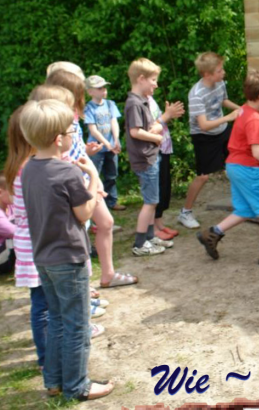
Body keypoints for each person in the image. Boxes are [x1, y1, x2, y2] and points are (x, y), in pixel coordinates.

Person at [19, 98, 114, 401]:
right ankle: (77, 386)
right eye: (72, 130)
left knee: (58, 319)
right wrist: (93, 177)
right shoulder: (67, 172)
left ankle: (54, 381)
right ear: (59, 139)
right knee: (77, 324)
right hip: (69, 259)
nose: (75, 135)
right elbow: (85, 213)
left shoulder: (28, 170)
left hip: (43, 258)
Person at [44, 70, 136, 288]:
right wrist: (89, 183)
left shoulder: (74, 116)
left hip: (87, 178)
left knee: (105, 223)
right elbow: (61, 159)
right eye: (79, 91)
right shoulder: (58, 121)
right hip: (76, 184)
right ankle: (82, 286)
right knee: (80, 233)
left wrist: (87, 152)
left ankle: (107, 275)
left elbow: (74, 150)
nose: (82, 95)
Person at [195, 70, 259, 266]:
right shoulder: (255, 118)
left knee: (245, 209)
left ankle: (212, 233)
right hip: (247, 169)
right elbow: (256, 153)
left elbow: (247, 142)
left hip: (234, 166)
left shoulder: (243, 111)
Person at [178, 52, 240, 229]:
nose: (223, 73)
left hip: (222, 130)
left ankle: (243, 202)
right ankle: (185, 212)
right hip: (204, 136)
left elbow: (224, 101)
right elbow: (204, 125)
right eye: (219, 71)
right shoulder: (196, 94)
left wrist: (242, 109)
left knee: (237, 163)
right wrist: (229, 117)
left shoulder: (219, 83)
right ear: (207, 74)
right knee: (203, 176)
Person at [124, 58, 175, 256]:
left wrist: (155, 129)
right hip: (145, 159)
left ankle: (150, 237)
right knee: (150, 202)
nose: (156, 84)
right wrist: (156, 137)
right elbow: (135, 132)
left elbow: (147, 126)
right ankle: (139, 244)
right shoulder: (134, 103)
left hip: (152, 157)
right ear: (141, 79)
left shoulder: (143, 101)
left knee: (153, 200)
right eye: (153, 80)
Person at [83, 75, 125, 212]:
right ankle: (93, 203)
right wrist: (107, 143)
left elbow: (114, 122)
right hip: (95, 149)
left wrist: (116, 140)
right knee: (94, 176)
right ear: (90, 91)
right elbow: (93, 130)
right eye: (100, 88)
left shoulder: (110, 104)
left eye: (104, 87)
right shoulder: (88, 108)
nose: (104, 90)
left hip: (111, 147)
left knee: (112, 175)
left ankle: (111, 201)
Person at [147, 94, 185, 239]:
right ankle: (152, 229)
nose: (156, 85)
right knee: (156, 190)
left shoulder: (150, 100)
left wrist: (168, 116)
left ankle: (159, 223)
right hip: (154, 151)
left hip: (164, 147)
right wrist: (166, 116)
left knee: (164, 188)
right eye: (153, 82)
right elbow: (149, 128)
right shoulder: (139, 103)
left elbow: (159, 122)